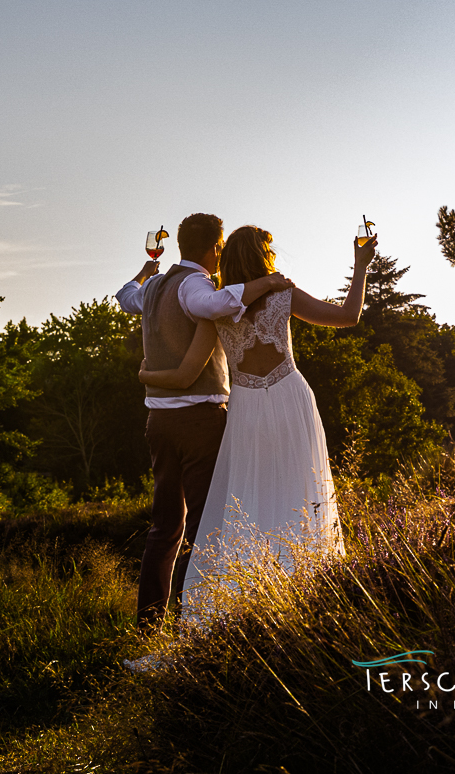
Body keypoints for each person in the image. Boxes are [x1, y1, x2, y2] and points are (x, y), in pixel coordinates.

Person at [138, 225, 376, 611]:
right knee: (299, 491)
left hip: (246, 411)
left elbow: (185, 374)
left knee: (248, 499)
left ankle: (250, 597)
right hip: (290, 400)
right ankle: (306, 595)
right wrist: (360, 266)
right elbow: (348, 316)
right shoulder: (284, 296)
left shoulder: (217, 309)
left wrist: (147, 375)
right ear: (264, 258)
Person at [114, 212, 292, 637]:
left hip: (159, 420)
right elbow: (213, 305)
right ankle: (200, 625)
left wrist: (144, 271)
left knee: (164, 527)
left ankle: (150, 626)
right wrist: (266, 283)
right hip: (198, 420)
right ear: (214, 248)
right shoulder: (196, 284)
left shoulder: (155, 286)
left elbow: (125, 296)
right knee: (204, 525)